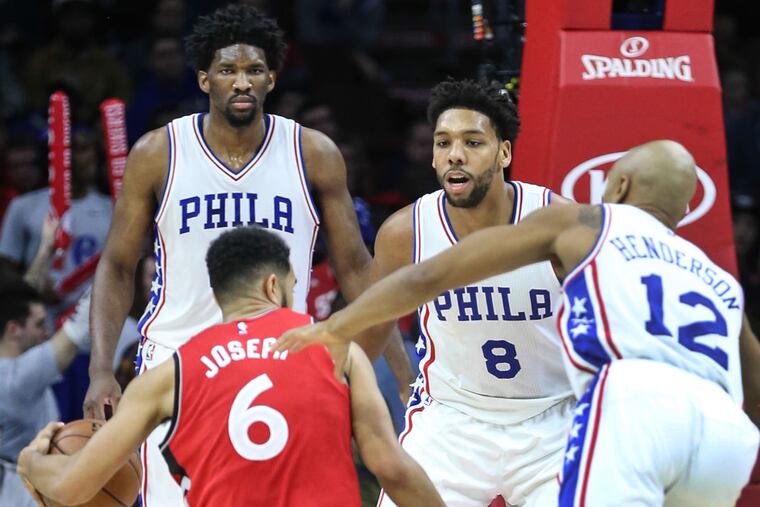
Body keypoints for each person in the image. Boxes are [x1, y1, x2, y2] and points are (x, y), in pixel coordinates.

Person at [277, 140, 760, 506]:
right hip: (725, 437)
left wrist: (337, 328)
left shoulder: (588, 221)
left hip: (637, 403)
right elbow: (754, 387)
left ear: (619, 187)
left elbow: (432, 273)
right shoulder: (716, 278)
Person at [83, 5, 398, 505]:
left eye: (254, 70)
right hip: (176, 358)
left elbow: (357, 267)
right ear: (205, 79)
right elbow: (118, 265)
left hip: (278, 358)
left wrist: (400, 372)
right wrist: (101, 367)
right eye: (228, 70)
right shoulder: (157, 153)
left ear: (272, 76)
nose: (242, 81)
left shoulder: (312, 152)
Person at [17, 227, 444, 507]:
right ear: (274, 285)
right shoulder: (337, 349)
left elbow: (75, 484)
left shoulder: (169, 374)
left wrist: (32, 462)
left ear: (219, 295)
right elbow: (392, 469)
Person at [350, 79, 577, 506]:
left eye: (473, 142)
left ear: (505, 152)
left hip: (552, 417)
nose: (455, 154)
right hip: (452, 419)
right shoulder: (406, 232)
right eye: (443, 142)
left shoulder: (559, 222)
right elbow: (370, 331)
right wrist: (364, 397)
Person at [0, 282, 89, 507]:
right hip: (18, 494)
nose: (47, 332)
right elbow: (75, 334)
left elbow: (27, 280)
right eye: (39, 324)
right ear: (13, 330)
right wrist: (114, 270)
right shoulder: (14, 377)